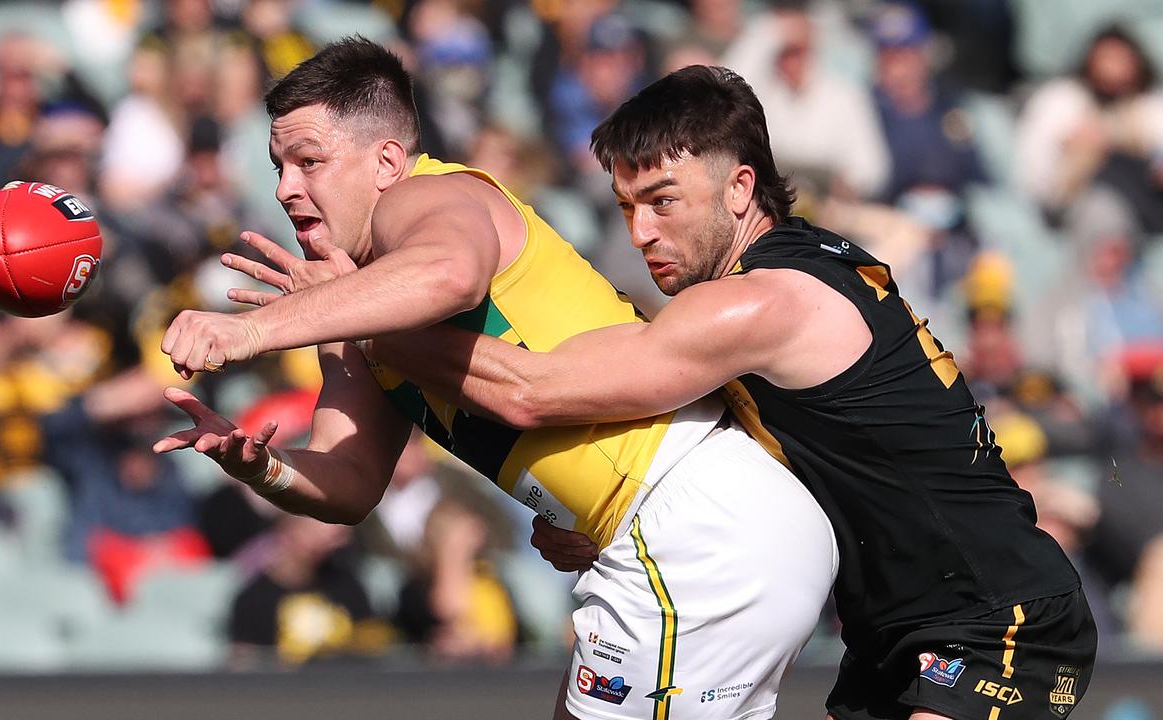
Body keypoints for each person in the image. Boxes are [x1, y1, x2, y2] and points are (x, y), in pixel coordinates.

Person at [365, 66, 1099, 720]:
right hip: (901, 633)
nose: (642, 231)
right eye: (626, 208)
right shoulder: (793, 273)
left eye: (662, 200)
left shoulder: (758, 304)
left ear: (741, 186)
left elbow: (531, 391)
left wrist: (365, 318)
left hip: (997, 620)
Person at [155, 38, 837, 720]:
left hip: (689, 520)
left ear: (388, 161)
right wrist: (264, 468)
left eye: (309, 161)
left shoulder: (426, 198)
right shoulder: (355, 301)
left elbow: (447, 275)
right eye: (279, 166)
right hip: (686, 536)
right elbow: (351, 483)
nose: (284, 188)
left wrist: (250, 330)